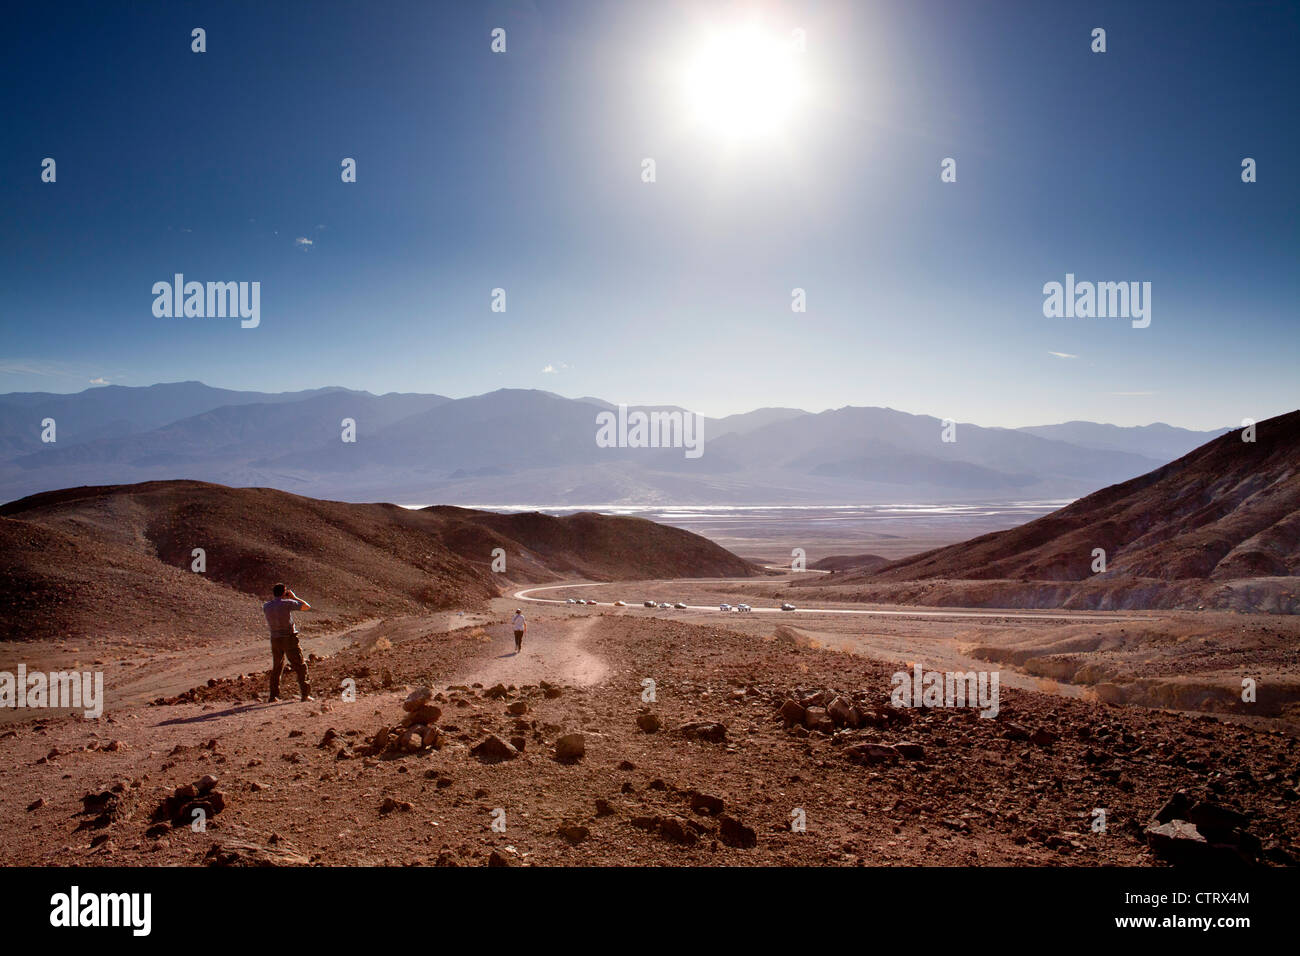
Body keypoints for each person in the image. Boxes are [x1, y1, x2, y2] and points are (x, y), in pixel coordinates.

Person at [263, 583, 313, 702]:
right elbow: (307, 606)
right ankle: (305, 694)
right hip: (289, 638)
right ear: (284, 592)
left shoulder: (266, 606)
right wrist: (293, 597)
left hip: (275, 639)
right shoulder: (287, 603)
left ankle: (273, 696)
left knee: (277, 667)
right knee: (300, 665)